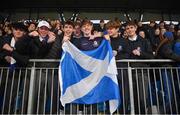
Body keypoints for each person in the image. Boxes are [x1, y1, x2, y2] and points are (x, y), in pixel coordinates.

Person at [118, 21, 154, 113]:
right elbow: (120, 55)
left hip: (141, 73)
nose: (129, 30)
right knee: (130, 98)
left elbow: (151, 56)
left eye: (131, 28)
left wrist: (140, 53)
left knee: (142, 98)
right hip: (127, 74)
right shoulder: (124, 42)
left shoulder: (144, 41)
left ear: (135, 28)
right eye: (127, 28)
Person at [0, 22, 32, 113]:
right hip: (3, 71)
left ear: (24, 33)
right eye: (16, 29)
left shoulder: (27, 44)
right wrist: (4, 57)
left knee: (10, 98)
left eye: (21, 30)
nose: (18, 32)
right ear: (12, 30)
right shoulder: (4, 39)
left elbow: (24, 60)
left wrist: (11, 50)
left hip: (16, 74)